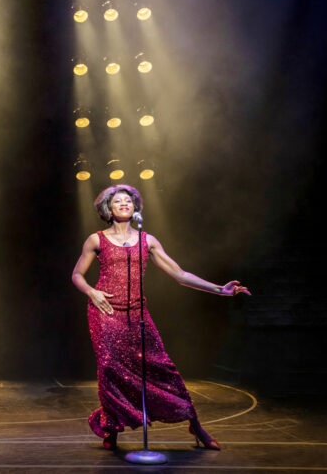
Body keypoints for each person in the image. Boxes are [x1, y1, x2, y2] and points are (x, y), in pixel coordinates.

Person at [71, 184, 249, 451]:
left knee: (161, 366)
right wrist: (91, 292)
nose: (123, 204)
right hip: (106, 311)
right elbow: (76, 275)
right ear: (108, 208)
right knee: (110, 369)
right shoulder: (96, 240)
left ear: (135, 208)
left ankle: (195, 426)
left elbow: (179, 274)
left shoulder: (147, 240)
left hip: (137, 312)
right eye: (117, 201)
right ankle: (111, 431)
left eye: (128, 201)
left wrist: (220, 290)